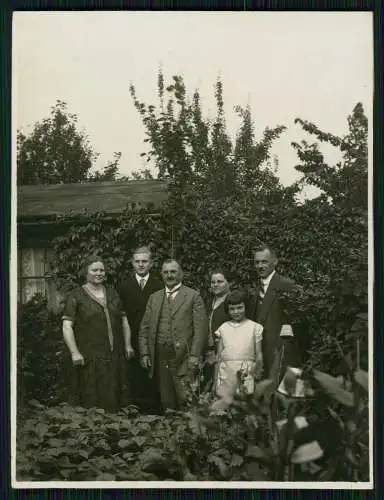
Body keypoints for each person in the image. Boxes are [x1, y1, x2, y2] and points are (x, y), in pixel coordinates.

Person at [62, 256, 134, 410]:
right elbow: (67, 326)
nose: (99, 273)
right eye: (94, 270)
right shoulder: (76, 295)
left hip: (115, 355)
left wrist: (128, 345)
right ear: (86, 272)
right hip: (89, 356)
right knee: (92, 397)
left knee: (115, 396)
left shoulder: (112, 293)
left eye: (101, 270)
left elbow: (124, 321)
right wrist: (75, 353)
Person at [138, 259, 209, 411]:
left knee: (186, 398)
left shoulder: (193, 296)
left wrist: (194, 356)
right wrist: (145, 353)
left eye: (173, 272)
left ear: (181, 274)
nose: (169, 275)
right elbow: (144, 327)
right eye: (166, 272)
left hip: (184, 357)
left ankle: (188, 431)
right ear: (162, 275)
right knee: (166, 399)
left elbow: (201, 330)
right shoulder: (154, 297)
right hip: (161, 356)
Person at [248, 244, 303, 381]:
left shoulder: (286, 285)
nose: (260, 266)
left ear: (275, 262)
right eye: (257, 262)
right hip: (260, 353)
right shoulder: (255, 288)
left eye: (264, 262)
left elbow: (298, 323)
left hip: (281, 353)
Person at [118, 246, 163, 413]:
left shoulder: (159, 286)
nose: (141, 265)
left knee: (153, 376)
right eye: (137, 262)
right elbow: (120, 315)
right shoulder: (123, 286)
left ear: (151, 263)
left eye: (144, 261)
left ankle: (155, 414)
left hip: (153, 339)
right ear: (132, 263)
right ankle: (136, 413)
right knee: (134, 377)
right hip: (131, 339)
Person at [213, 289, 263, 402]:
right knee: (225, 405)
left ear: (246, 307)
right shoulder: (223, 328)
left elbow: (259, 354)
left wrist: (257, 374)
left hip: (246, 372)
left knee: (244, 404)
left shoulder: (255, 327)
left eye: (239, 308)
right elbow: (219, 357)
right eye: (232, 309)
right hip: (225, 372)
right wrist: (215, 380)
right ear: (228, 310)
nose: (236, 312)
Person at [202, 268, 235, 392]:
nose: (215, 285)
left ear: (229, 283)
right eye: (213, 282)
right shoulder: (209, 302)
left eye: (219, 281)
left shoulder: (232, 303)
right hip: (208, 353)